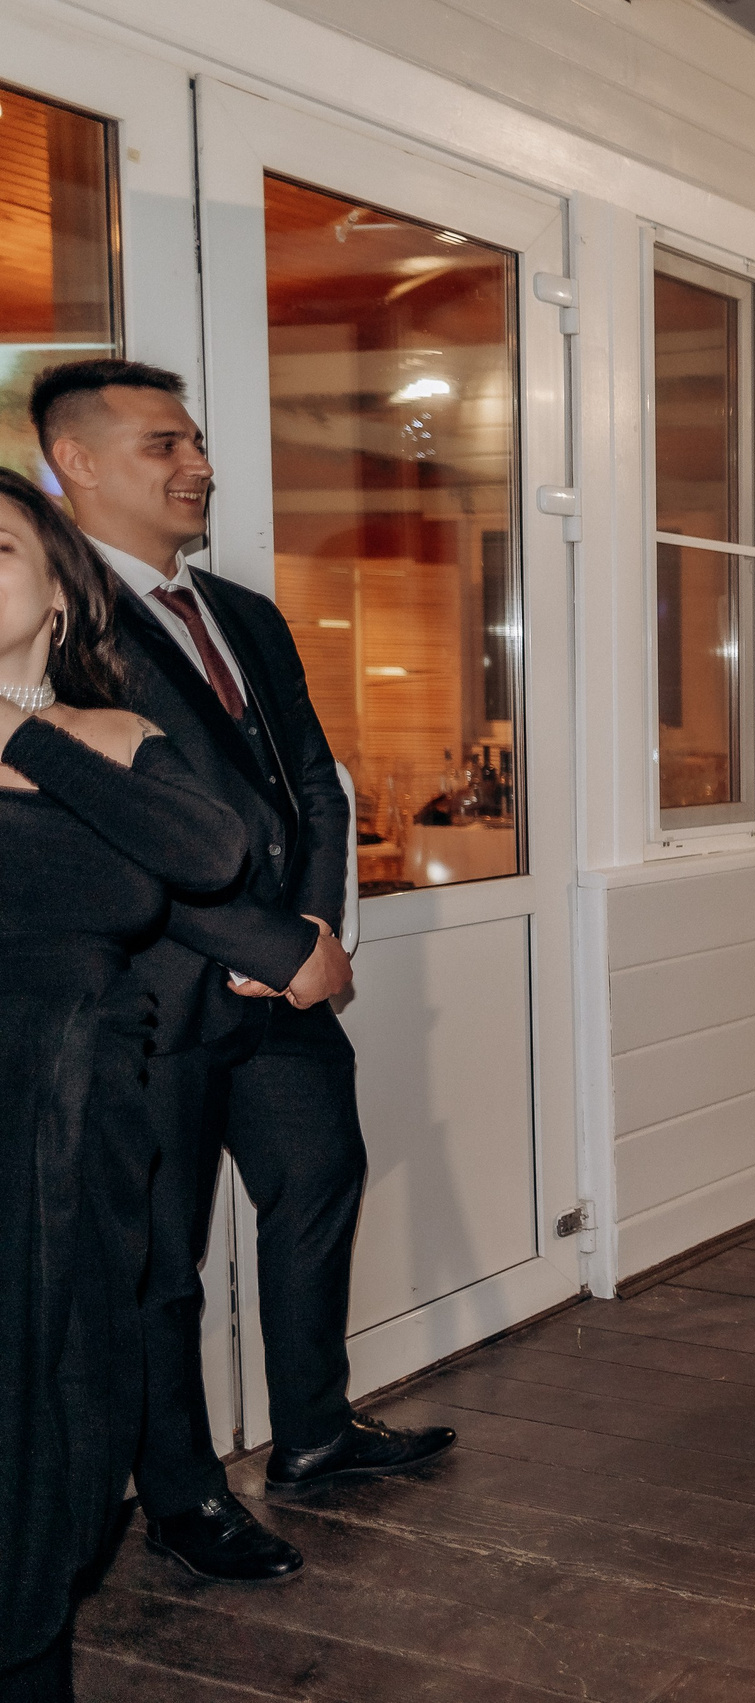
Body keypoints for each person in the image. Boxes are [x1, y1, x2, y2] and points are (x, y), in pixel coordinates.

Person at [32, 359, 453, 1589]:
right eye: (166, 444)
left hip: (288, 986)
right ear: (81, 464)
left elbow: (314, 781)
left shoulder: (246, 615)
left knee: (320, 1185)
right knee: (163, 1258)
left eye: (198, 441)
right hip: (154, 999)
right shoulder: (54, 632)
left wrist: (318, 935)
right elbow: (111, 830)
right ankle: (182, 1492)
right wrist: (273, 949)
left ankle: (315, 1430)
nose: (198, 464)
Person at [0, 467, 248, 1700]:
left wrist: (12, 727)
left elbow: (206, 851)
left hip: (84, 1117)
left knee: (67, 1406)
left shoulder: (109, 733)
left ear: (56, 592)